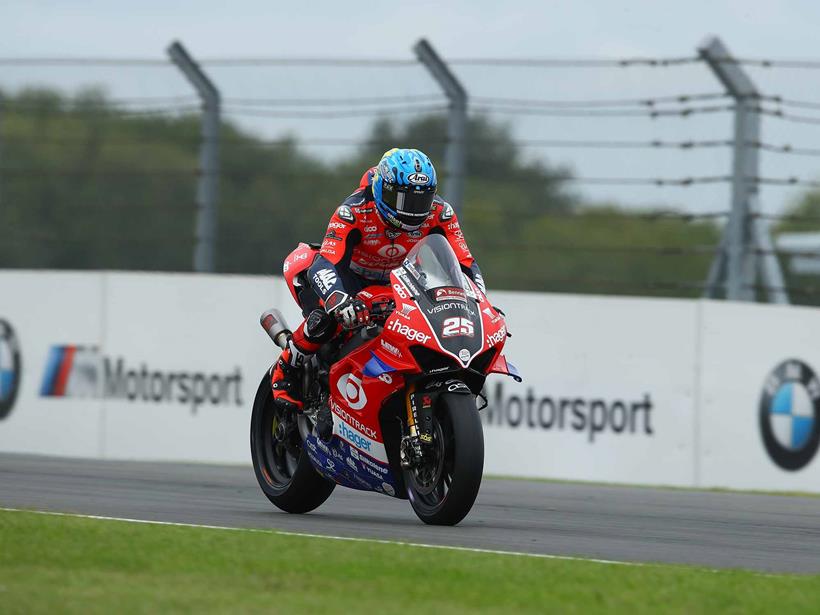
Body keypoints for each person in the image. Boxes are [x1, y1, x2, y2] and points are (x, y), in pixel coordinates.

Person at [271, 147, 485, 433]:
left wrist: (479, 301)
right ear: (383, 189)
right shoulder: (353, 210)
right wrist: (339, 301)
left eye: (421, 198)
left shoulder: (440, 212)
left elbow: (465, 263)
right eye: (403, 198)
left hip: (398, 282)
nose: (412, 208)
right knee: (326, 321)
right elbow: (325, 263)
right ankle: (287, 368)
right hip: (346, 278)